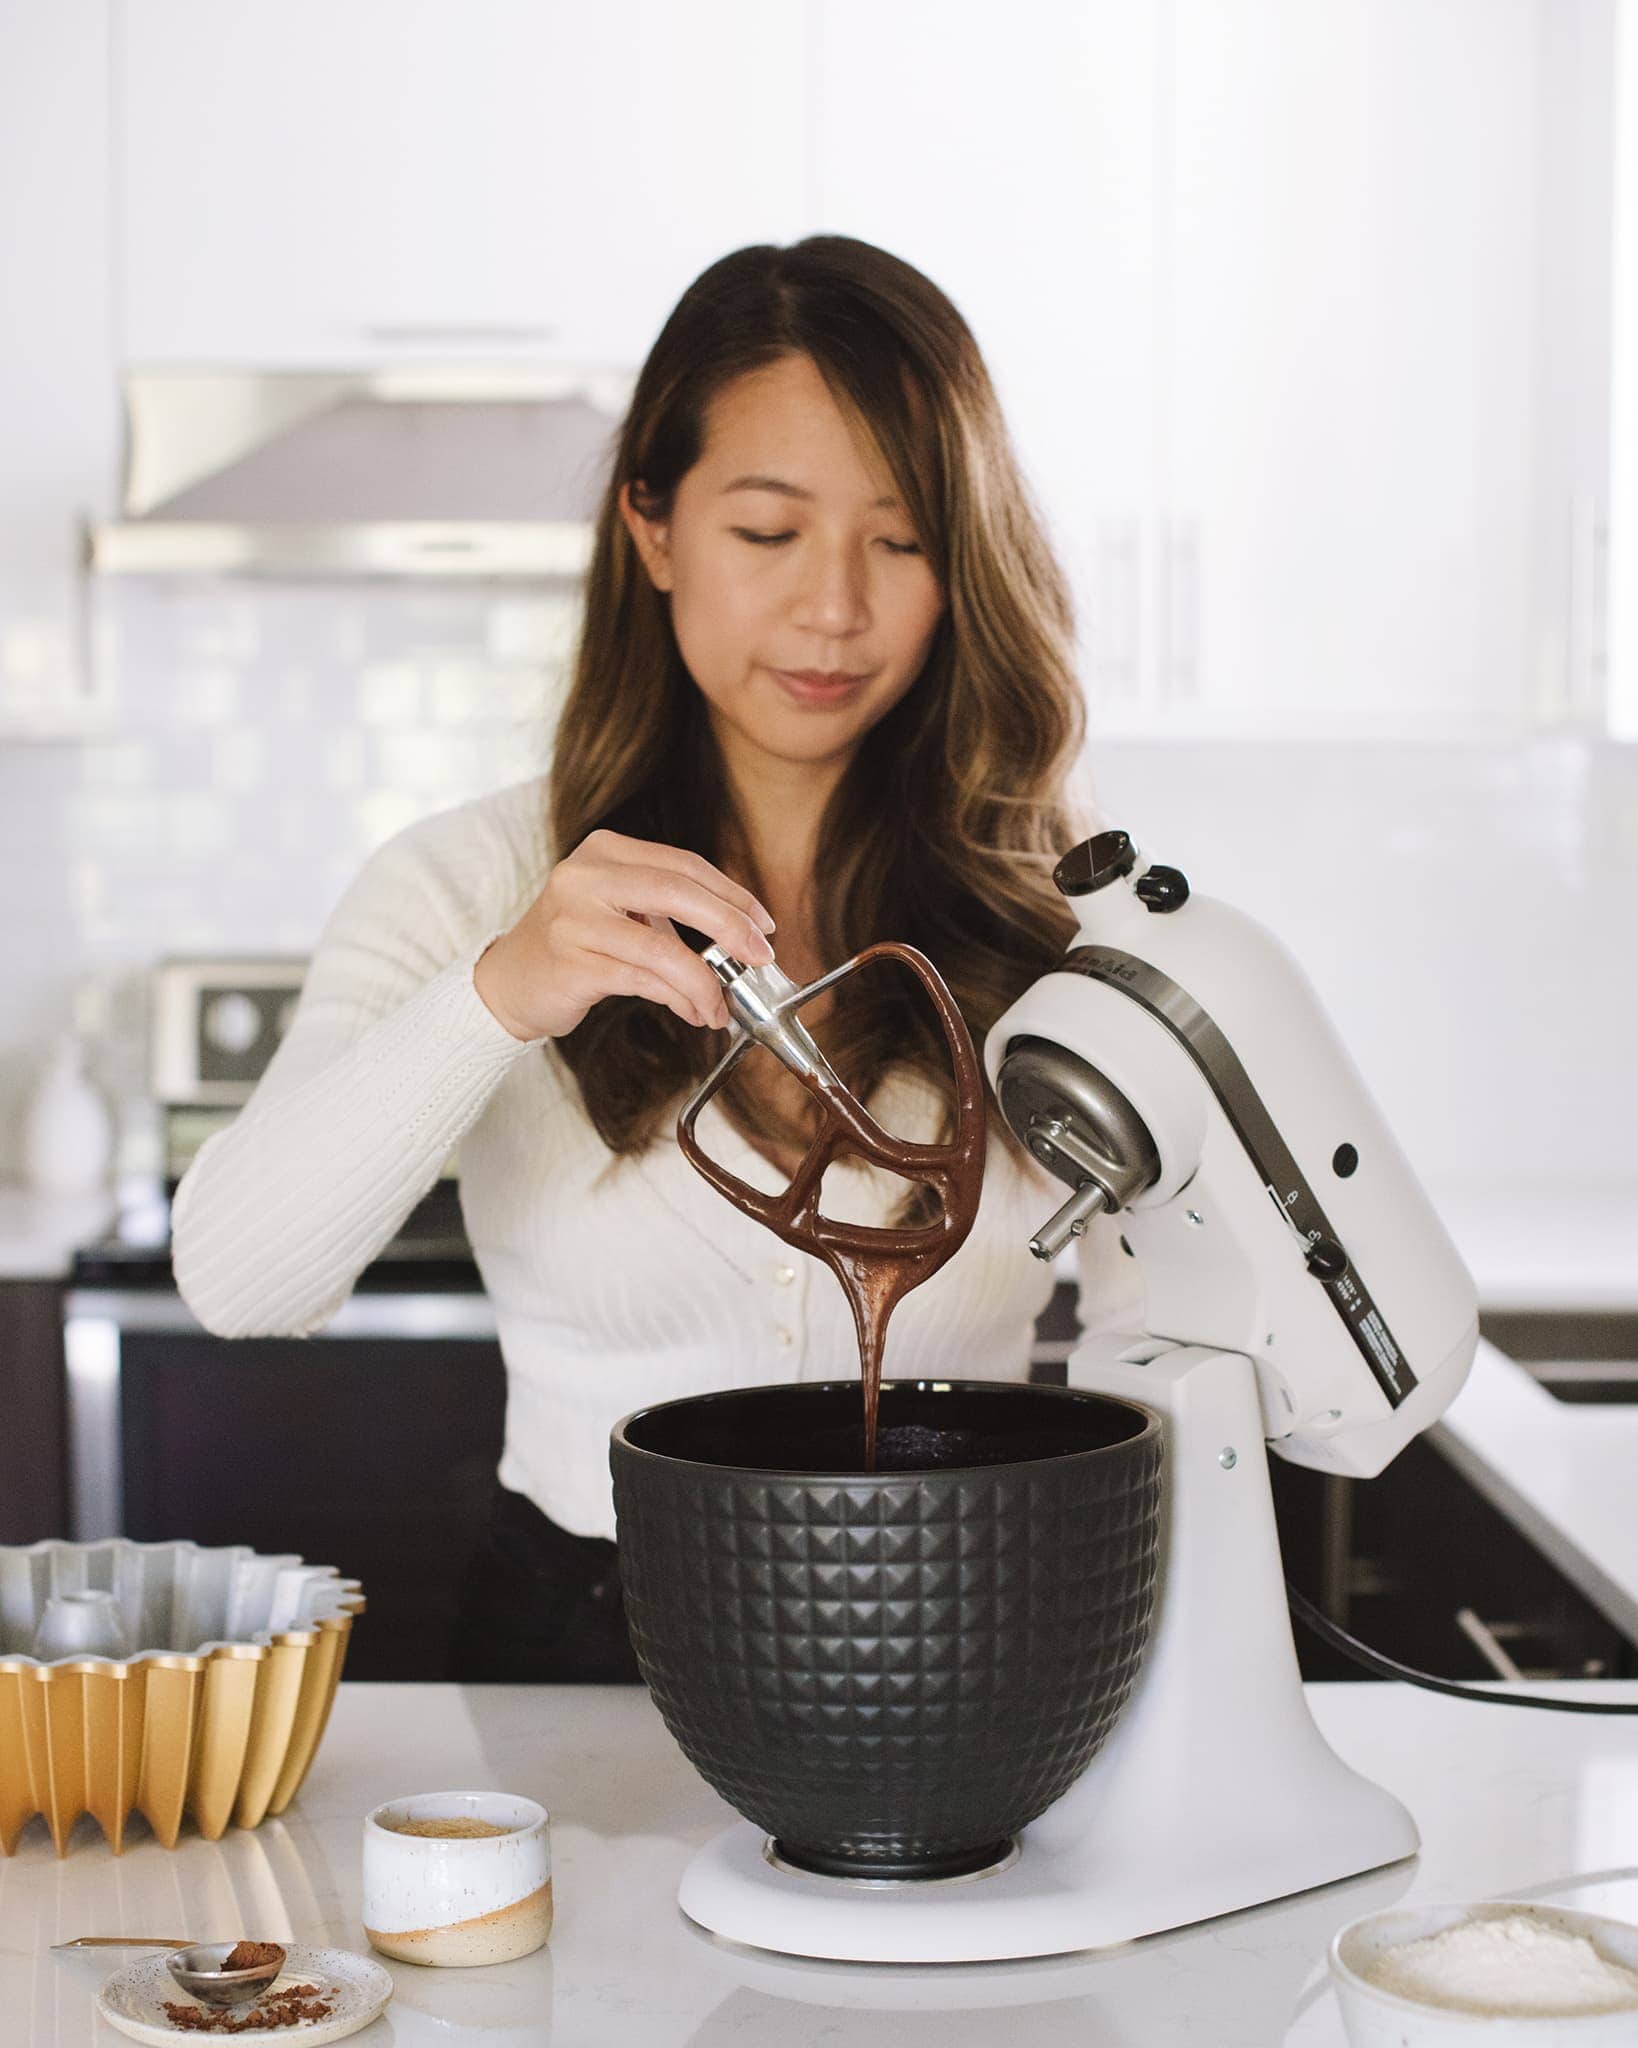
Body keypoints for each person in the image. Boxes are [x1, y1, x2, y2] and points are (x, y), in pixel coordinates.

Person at [170, 236, 1142, 1682]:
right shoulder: (469, 886)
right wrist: (499, 993)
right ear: (653, 528)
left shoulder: (1062, 909)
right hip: (584, 1644)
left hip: (974, 1624)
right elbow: (242, 1283)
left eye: (902, 538)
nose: (834, 608)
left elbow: (1163, 1329)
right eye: (767, 531)